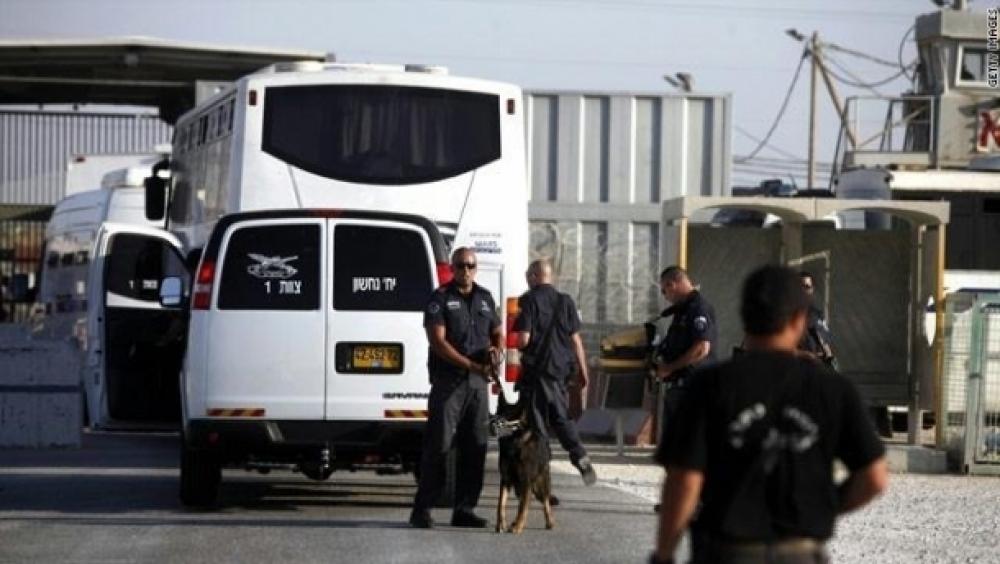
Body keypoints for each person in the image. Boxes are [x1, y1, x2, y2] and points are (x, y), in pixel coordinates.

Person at [651, 265, 889, 564]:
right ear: (800, 320)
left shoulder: (710, 386)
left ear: (746, 319)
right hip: (799, 552)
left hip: (728, 551)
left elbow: (684, 479)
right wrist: (819, 507)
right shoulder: (831, 389)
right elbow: (874, 477)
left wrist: (664, 554)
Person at [410, 247, 503, 529]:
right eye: (461, 265)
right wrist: (470, 365)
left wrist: (497, 350)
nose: (466, 270)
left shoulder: (485, 298)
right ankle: (423, 509)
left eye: (470, 265)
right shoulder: (439, 298)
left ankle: (464, 509)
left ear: (476, 268)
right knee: (439, 445)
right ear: (452, 268)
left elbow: (497, 331)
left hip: (477, 385)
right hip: (448, 383)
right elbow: (438, 342)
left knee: (475, 446)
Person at [512, 258, 597, 486]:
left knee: (538, 426)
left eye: (528, 276)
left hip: (537, 371)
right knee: (560, 416)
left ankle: (543, 477)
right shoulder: (565, 301)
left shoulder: (529, 300)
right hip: (560, 372)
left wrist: (513, 344)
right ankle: (580, 457)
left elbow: (523, 339)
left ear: (534, 276)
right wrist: (584, 372)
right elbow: (576, 341)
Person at [655, 266, 717, 426]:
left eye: (664, 291)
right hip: (682, 388)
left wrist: (670, 367)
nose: (665, 297)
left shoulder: (697, 308)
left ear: (672, 285)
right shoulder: (683, 310)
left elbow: (701, 348)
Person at [797, 271, 836, 368]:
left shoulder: (816, 314)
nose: (803, 291)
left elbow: (825, 341)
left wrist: (828, 355)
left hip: (818, 367)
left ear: (812, 289)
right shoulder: (786, 315)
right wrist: (806, 355)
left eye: (807, 287)